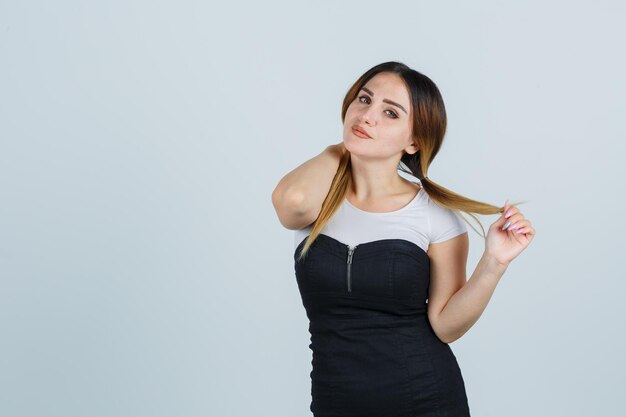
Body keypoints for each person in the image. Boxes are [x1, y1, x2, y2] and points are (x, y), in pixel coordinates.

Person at [271, 61, 536, 417]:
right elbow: (292, 204)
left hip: (425, 400)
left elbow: (445, 326)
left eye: (390, 112)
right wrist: (341, 149)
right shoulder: (317, 197)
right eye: (363, 100)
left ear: (414, 141)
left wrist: (493, 264)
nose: (368, 115)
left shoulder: (435, 216)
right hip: (335, 404)